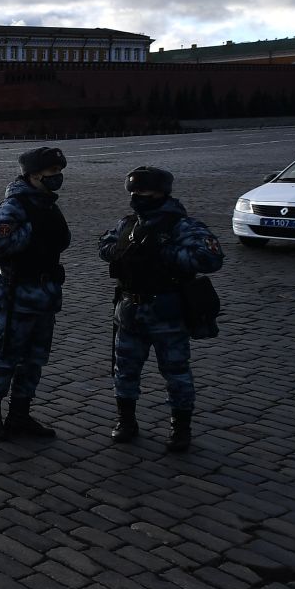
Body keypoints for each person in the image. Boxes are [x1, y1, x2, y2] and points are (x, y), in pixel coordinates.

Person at [97, 166, 225, 452]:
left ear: (161, 193)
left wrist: (163, 253)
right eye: (133, 191)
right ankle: (125, 420)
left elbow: (210, 258)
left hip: (167, 311)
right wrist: (121, 251)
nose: (137, 196)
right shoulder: (129, 223)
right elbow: (104, 244)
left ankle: (180, 428)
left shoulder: (182, 225)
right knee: (124, 371)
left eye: (144, 191)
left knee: (176, 373)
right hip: (130, 311)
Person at [0, 146, 70, 439]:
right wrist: (30, 231)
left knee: (34, 360)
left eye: (58, 172)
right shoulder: (14, 206)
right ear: (33, 175)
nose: (56, 178)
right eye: (51, 173)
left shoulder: (47, 204)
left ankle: (20, 414)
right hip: (15, 294)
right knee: (6, 356)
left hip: (43, 295)